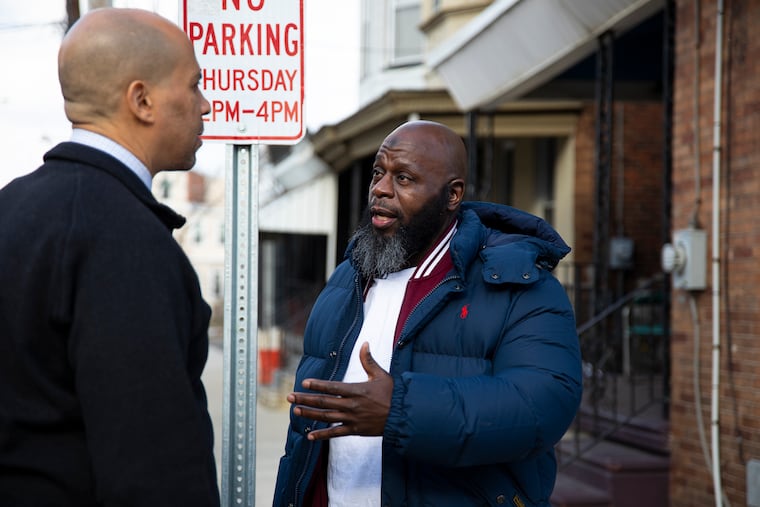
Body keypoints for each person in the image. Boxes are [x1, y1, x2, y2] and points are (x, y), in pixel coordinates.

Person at [273, 120, 583, 507]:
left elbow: (542, 406)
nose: (380, 189)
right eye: (378, 173)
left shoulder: (520, 287)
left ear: (452, 195)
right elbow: (303, 436)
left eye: (403, 178)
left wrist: (400, 410)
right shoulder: (346, 278)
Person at [0, 8, 220, 507]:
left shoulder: (10, 207)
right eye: (193, 85)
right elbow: (153, 471)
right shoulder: (126, 242)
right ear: (141, 100)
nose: (205, 105)